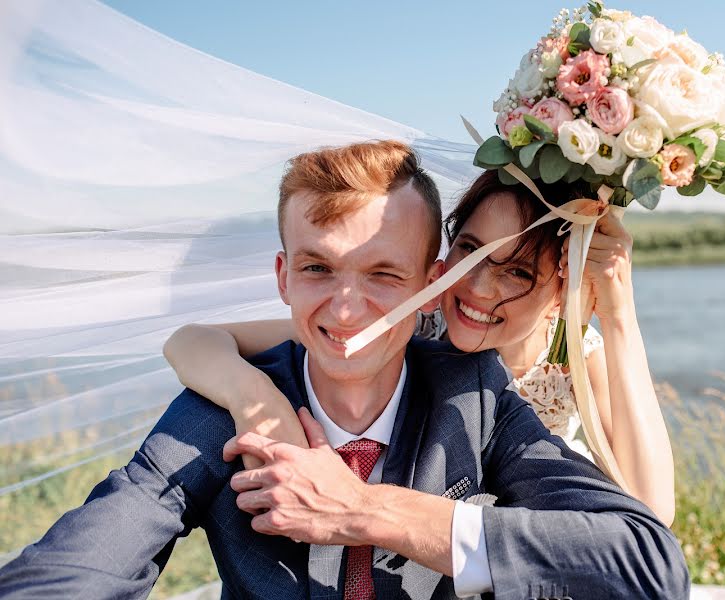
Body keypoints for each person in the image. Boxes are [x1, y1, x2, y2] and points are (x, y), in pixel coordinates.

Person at [0, 141, 689, 599]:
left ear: (426, 276)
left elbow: (647, 553)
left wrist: (362, 509)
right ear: (283, 277)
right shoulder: (221, 410)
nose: (347, 309)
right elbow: (79, 565)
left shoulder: (478, 393)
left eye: (385, 273)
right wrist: (252, 397)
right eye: (318, 268)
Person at [164, 168, 676, 526]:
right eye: (470, 250)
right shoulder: (403, 326)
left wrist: (618, 313)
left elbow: (652, 509)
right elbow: (191, 340)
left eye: (517, 271)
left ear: (559, 291)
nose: (477, 288)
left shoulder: (573, 357)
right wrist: (257, 400)